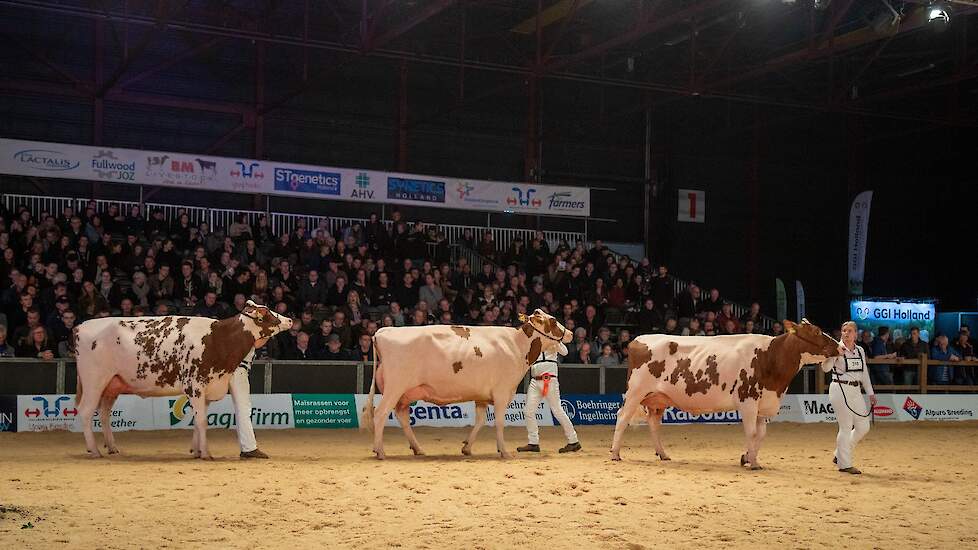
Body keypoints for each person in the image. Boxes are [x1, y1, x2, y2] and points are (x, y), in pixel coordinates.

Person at [820, 321, 875, 475]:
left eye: (850, 331)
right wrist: (834, 354)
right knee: (845, 426)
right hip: (839, 388)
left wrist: (870, 393)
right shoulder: (836, 348)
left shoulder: (860, 350)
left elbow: (864, 373)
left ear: (856, 334)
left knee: (864, 426)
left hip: (856, 390)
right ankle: (845, 464)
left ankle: (839, 454)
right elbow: (825, 368)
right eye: (844, 330)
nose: (846, 333)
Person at [517, 337, 581, 454]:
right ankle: (533, 442)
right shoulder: (532, 342)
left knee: (557, 410)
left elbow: (565, 352)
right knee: (528, 411)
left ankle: (573, 441)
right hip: (535, 380)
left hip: (549, 380)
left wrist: (556, 342)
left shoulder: (553, 340)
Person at [232, 347, 270, 459]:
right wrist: (268, 334)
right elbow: (256, 343)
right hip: (238, 368)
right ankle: (249, 448)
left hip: (226, 366)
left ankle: (199, 446)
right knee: (243, 408)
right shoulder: (246, 330)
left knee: (203, 404)